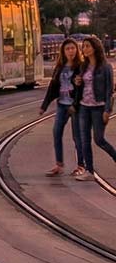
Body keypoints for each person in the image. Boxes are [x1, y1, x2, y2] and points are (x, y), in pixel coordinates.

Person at [39, 38, 85, 177]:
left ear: (77, 50)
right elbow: (52, 87)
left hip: (75, 107)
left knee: (77, 136)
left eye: (73, 48)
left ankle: (81, 166)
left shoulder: (81, 67)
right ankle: (59, 165)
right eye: (67, 49)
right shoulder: (60, 67)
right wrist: (44, 106)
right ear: (63, 52)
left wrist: (75, 104)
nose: (71, 51)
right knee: (56, 132)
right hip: (62, 105)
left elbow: (83, 89)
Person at [74, 35, 116, 181]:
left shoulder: (106, 67)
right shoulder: (83, 66)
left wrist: (107, 110)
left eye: (87, 46)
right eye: (83, 47)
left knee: (99, 139)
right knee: (84, 140)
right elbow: (80, 87)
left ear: (95, 48)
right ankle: (89, 171)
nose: (84, 49)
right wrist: (78, 83)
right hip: (84, 107)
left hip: (99, 108)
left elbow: (109, 90)